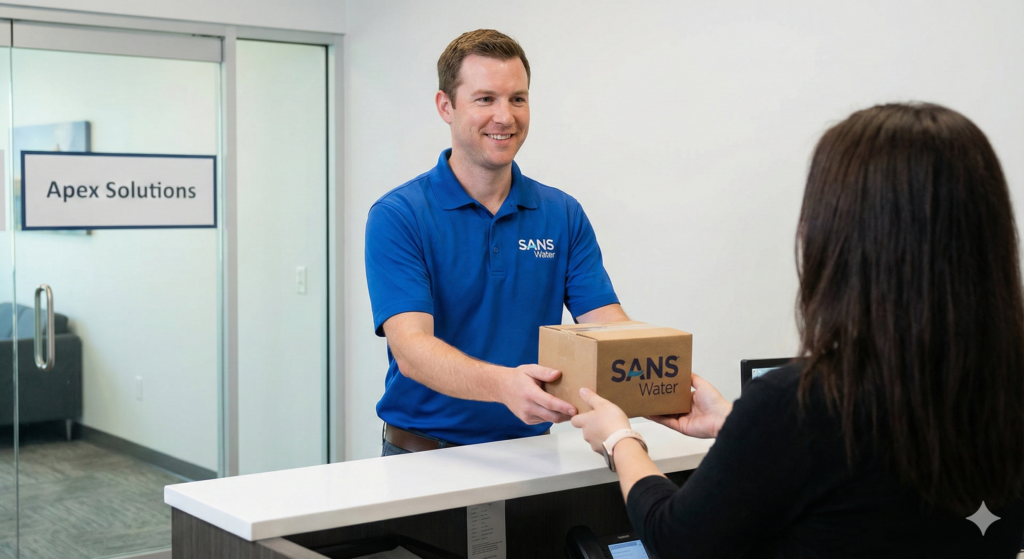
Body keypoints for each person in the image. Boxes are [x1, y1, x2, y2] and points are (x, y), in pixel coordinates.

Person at [572, 103, 1024, 558]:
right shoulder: (1002, 395)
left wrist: (619, 440)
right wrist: (739, 429)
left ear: (841, 237)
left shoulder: (800, 406)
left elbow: (676, 541)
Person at [365, 29, 629, 456]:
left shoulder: (561, 213)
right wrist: (503, 385)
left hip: (531, 452)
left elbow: (606, 326)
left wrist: (666, 379)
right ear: (446, 106)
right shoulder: (399, 215)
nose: (505, 117)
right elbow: (412, 350)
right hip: (422, 456)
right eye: (485, 99)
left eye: (517, 99)